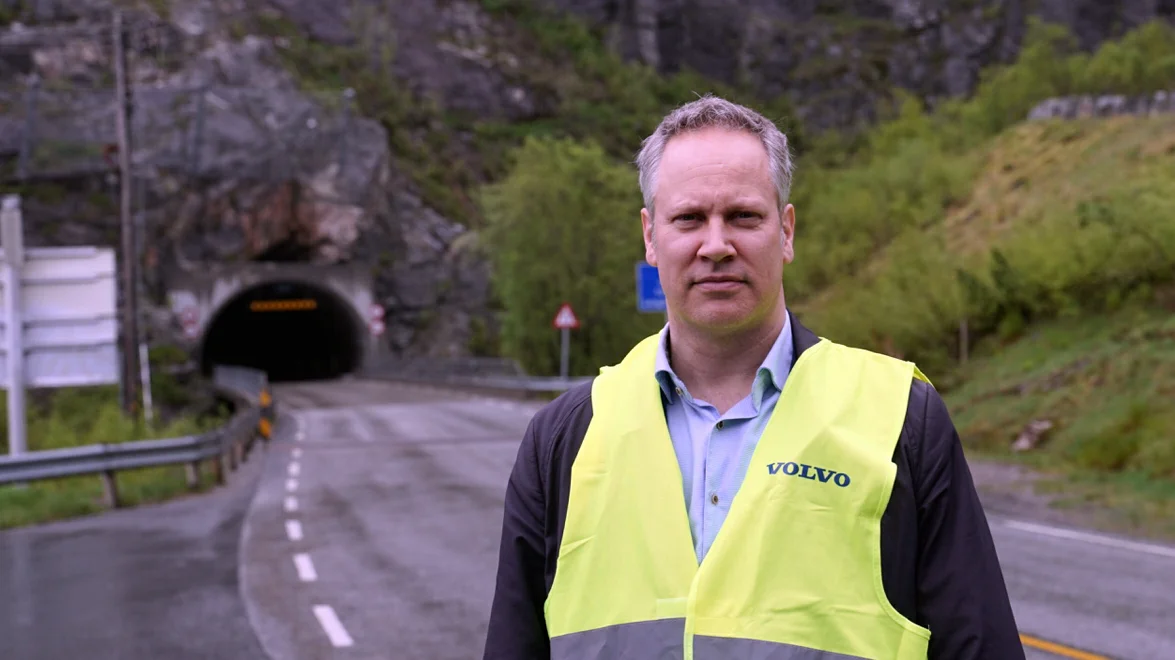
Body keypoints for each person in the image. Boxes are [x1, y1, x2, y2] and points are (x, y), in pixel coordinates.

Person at [482, 95, 1025, 660]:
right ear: (649, 237)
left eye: (743, 217)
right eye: (689, 218)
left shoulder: (902, 421)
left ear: (786, 232)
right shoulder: (562, 441)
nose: (716, 245)